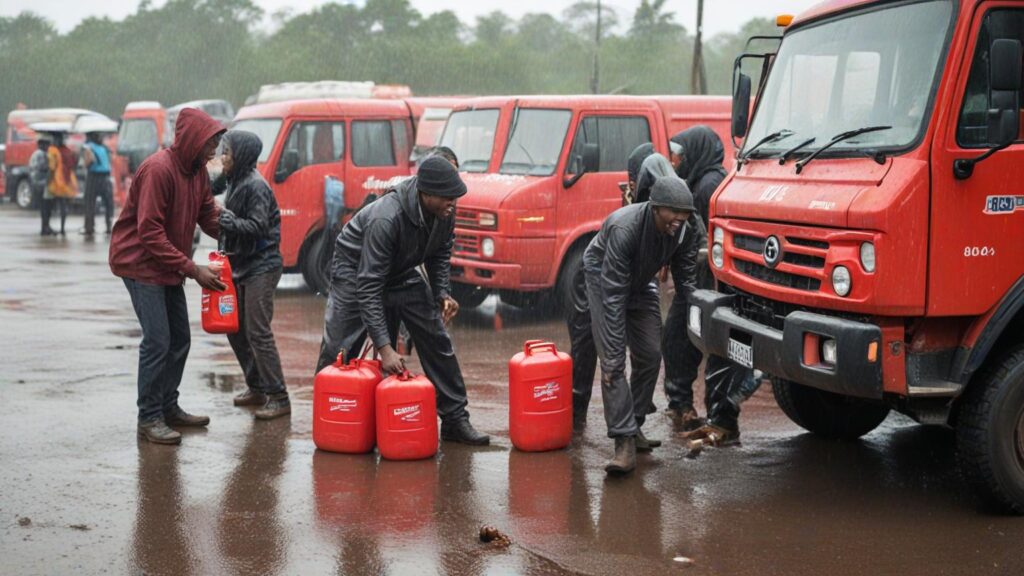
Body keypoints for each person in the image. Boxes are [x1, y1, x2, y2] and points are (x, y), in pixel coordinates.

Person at [315, 156, 489, 446]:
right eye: (448, 197)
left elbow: (440, 253)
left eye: (455, 198)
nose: (453, 203)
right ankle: (331, 415)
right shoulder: (387, 217)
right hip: (356, 267)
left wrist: (441, 294)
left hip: (401, 268)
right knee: (340, 347)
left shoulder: (444, 212)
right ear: (426, 193)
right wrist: (385, 348)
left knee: (436, 337)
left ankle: (455, 419)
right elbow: (369, 285)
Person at [109, 108, 227, 446]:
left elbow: (207, 214)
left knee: (180, 339)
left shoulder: (198, 172)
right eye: (210, 144)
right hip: (140, 262)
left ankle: (167, 407)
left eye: (217, 144)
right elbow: (149, 233)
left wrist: (237, 234)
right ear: (193, 141)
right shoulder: (158, 170)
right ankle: (149, 417)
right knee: (158, 340)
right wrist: (194, 269)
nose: (214, 152)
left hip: (168, 263)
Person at [568, 175, 701, 475]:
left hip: (642, 282)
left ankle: (635, 423)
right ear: (655, 208)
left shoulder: (682, 231)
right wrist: (612, 344)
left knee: (651, 355)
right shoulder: (624, 227)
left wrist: (696, 313)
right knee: (613, 361)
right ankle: (623, 442)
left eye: (684, 216)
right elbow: (613, 295)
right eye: (673, 215)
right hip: (604, 280)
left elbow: (686, 278)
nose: (678, 221)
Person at [218, 130, 290, 420]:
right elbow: (205, 185)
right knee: (235, 329)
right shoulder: (233, 179)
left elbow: (259, 226)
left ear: (242, 157)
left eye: (227, 153)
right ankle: (257, 386)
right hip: (241, 264)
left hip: (262, 265)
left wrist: (231, 221)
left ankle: (279, 396)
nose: (222, 158)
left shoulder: (255, 186)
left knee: (258, 331)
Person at [81, 131, 114, 236]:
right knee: (108, 203)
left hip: (93, 177)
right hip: (106, 177)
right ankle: (109, 226)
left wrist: (86, 164)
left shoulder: (88, 147)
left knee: (90, 202)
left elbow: (88, 161)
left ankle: (89, 227)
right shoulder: (105, 148)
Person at [47, 132, 78, 236]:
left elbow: (52, 167)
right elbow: (74, 164)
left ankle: (47, 226)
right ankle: (62, 228)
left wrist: (48, 180)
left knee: (51, 204)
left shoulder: (53, 150)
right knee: (63, 205)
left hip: (56, 181)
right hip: (68, 180)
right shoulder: (68, 151)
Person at [30, 136, 53, 236]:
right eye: (46, 144)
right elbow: (43, 167)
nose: (48, 146)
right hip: (41, 184)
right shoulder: (41, 154)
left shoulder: (37, 154)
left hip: (38, 183)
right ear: (41, 145)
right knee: (45, 207)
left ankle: (45, 226)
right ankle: (45, 227)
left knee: (45, 207)